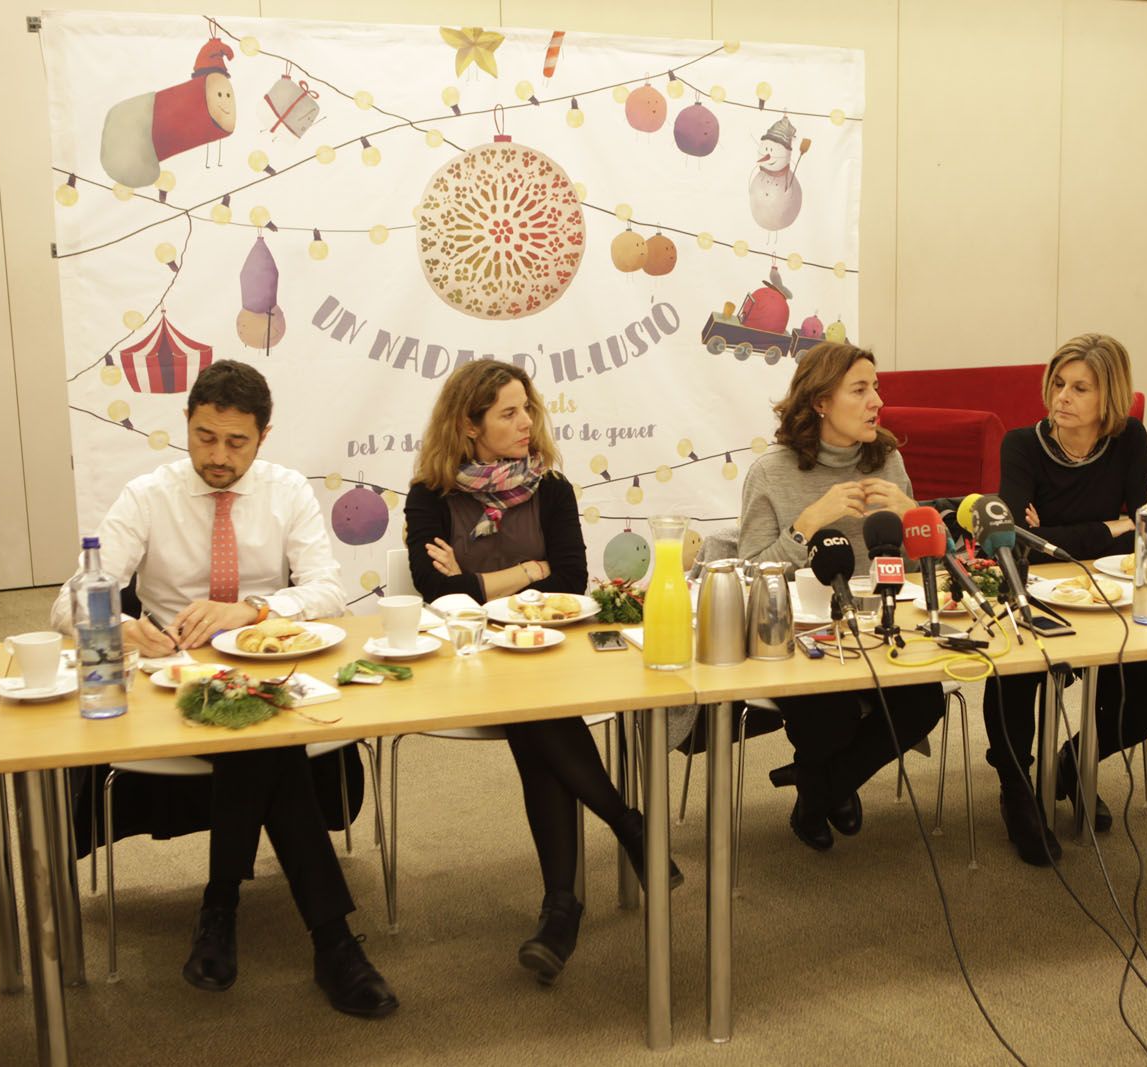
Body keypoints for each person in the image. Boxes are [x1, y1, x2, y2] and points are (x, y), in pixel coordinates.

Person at [48, 360, 397, 1018]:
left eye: (236, 442)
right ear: (187, 423)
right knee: (266, 744)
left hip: (269, 673)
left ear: (263, 436)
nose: (217, 455)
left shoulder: (287, 489)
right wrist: (124, 626)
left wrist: (255, 609)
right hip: (173, 682)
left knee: (257, 735)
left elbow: (329, 593)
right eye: (205, 436)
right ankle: (334, 943)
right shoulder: (147, 494)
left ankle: (220, 908)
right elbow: (68, 603)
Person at [404, 360, 680, 986]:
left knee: (536, 721)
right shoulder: (429, 495)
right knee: (537, 717)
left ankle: (562, 908)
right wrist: (528, 572)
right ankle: (626, 824)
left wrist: (479, 581)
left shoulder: (551, 489)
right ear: (468, 427)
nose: (527, 421)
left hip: (551, 649)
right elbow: (433, 589)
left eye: (527, 408)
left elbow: (571, 579)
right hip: (473, 658)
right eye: (508, 412)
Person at [739, 341, 946, 851]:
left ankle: (818, 789)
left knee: (923, 704)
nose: (877, 400)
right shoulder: (771, 472)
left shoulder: (887, 460)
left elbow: (928, 565)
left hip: (885, 627)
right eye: (860, 389)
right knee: (824, 719)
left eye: (876, 388)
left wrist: (910, 514)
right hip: (806, 638)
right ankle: (830, 784)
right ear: (821, 402)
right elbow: (749, 574)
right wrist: (808, 522)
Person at [981, 334, 1147, 866]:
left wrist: (1062, 530)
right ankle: (1018, 792)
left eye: (1079, 388)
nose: (1062, 396)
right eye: (1058, 384)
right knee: (1017, 676)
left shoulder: (1130, 439)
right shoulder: (1022, 444)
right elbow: (1014, 539)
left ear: (1107, 397)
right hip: (1033, 594)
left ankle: (1068, 764)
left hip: (1107, 595)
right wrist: (1110, 524)